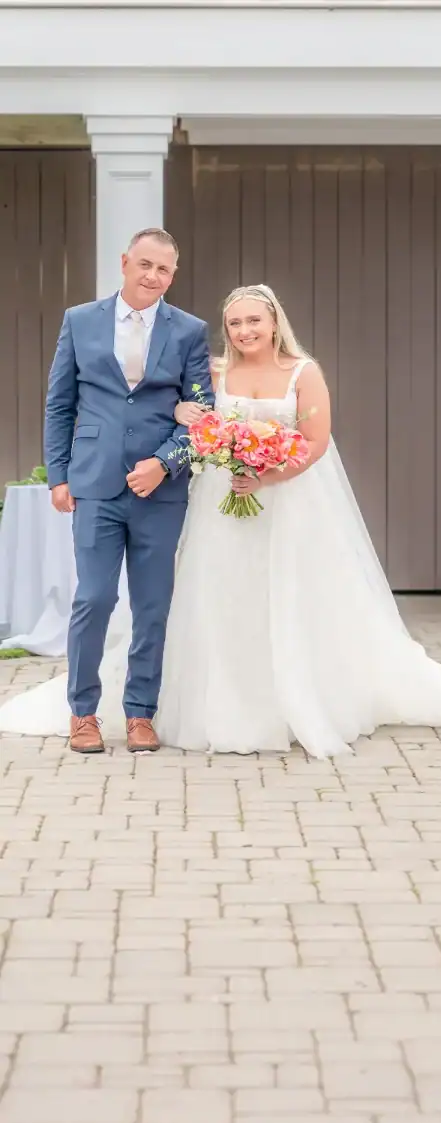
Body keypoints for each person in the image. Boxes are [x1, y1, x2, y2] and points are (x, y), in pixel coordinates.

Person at [0, 284, 441, 758]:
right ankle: (209, 705)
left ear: (273, 322)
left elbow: (315, 441)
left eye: (253, 321)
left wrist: (266, 475)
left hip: (282, 505)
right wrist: (190, 420)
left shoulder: (302, 371)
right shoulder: (214, 370)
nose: (244, 331)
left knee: (283, 598)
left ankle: (290, 701)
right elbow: (191, 415)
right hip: (219, 506)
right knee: (214, 599)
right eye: (235, 322)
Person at [39, 227, 212, 754]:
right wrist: (59, 474)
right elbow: (60, 404)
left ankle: (140, 713)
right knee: (93, 598)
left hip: (161, 492)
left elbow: (203, 414)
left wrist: (165, 463)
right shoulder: (80, 320)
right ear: (125, 262)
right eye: (145, 264)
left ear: (173, 276)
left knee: (152, 605)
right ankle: (83, 713)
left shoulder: (190, 331)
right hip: (94, 483)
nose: (152, 276)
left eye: (163, 269)